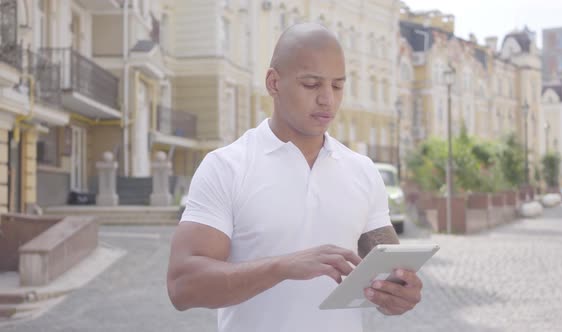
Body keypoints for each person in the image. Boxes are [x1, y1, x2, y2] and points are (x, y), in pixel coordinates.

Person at [166, 22, 423, 332]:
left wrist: (400, 295)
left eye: (337, 85)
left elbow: (392, 276)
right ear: (274, 83)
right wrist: (283, 266)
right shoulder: (226, 166)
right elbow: (182, 286)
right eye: (311, 84)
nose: (327, 99)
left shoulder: (363, 170)